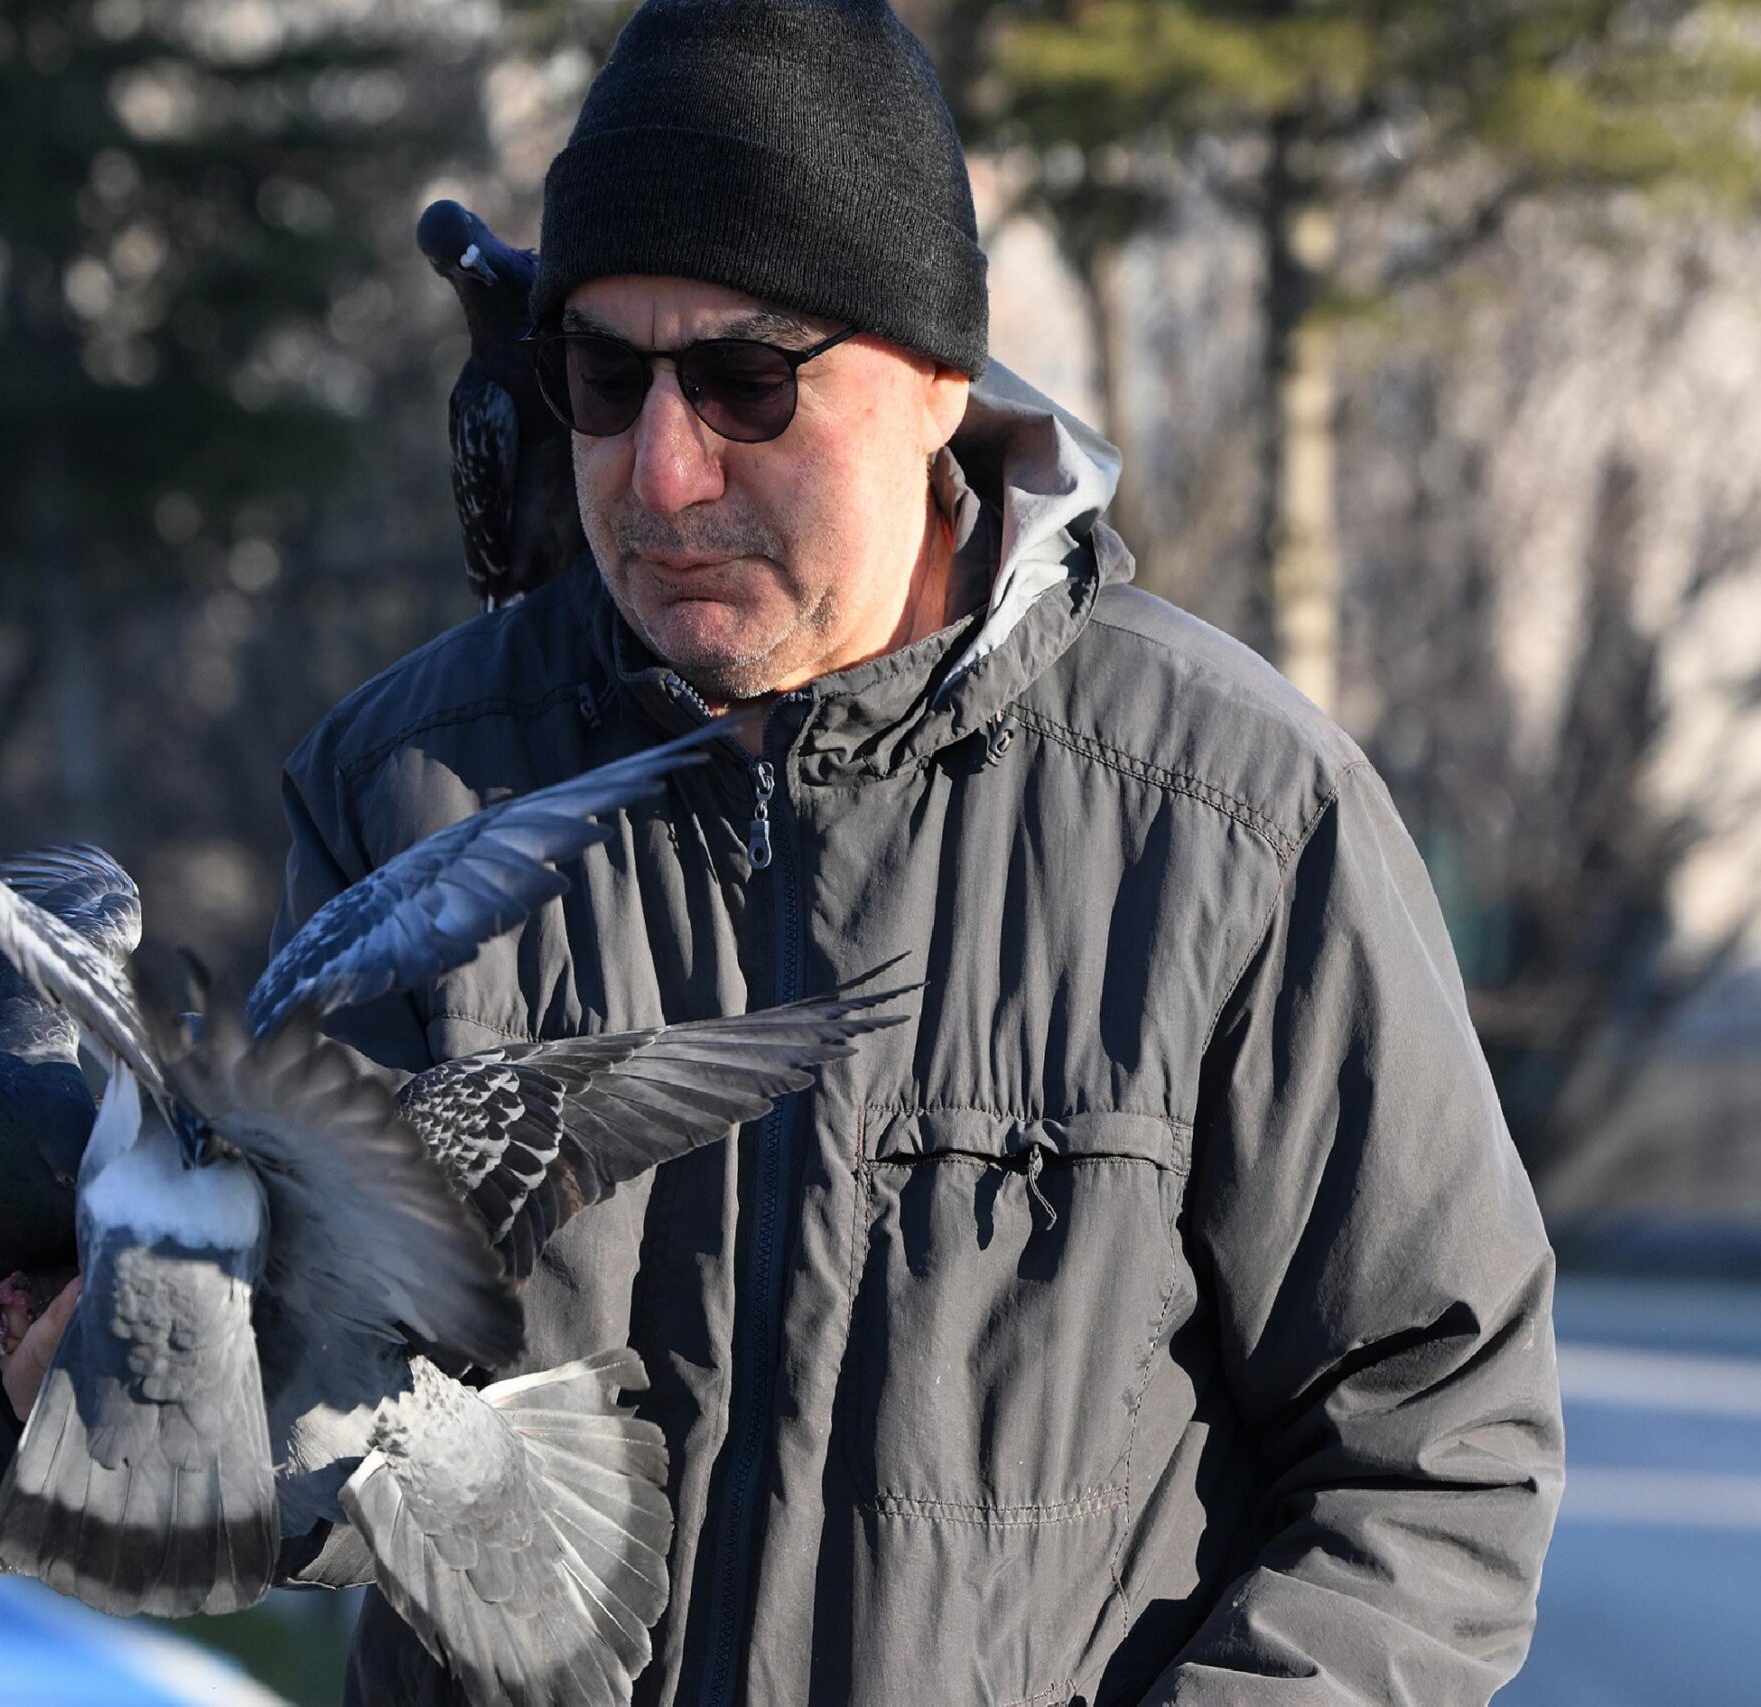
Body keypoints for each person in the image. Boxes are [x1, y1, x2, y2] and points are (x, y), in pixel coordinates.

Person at [265, 3, 1565, 1702]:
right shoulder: (408, 792)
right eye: (604, 376)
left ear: (940, 381)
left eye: (745, 380)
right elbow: (309, 1420)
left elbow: (1440, 1443)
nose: (662, 470)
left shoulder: (1238, 825)